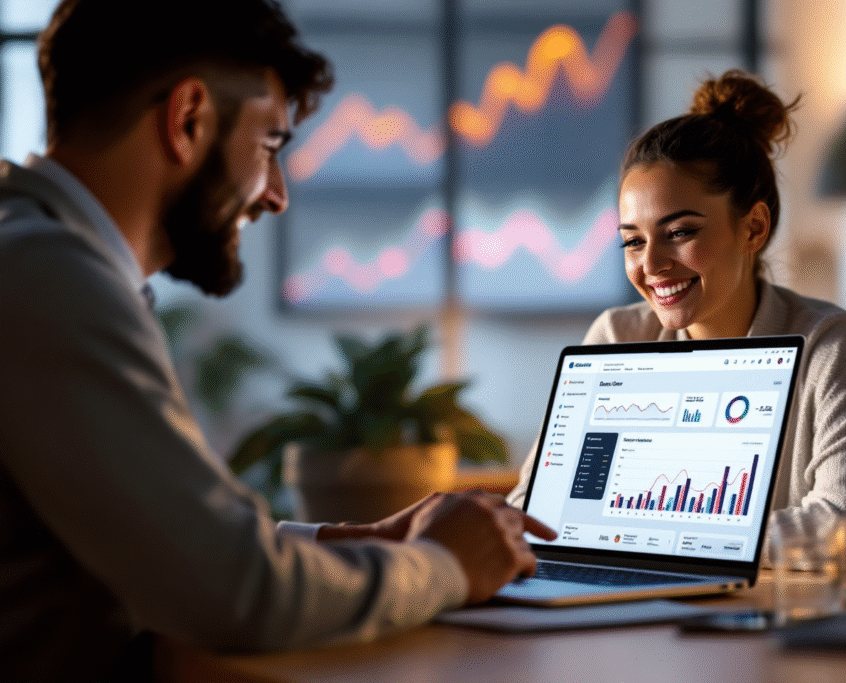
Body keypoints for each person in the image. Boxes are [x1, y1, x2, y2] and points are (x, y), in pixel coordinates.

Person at [0, 1, 555, 680]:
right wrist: (443, 566)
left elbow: (160, 542)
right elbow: (237, 594)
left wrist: (350, 539)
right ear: (188, 120)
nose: (276, 196)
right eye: (268, 147)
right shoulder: (50, 280)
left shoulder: (31, 254)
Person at [508, 70, 846, 544]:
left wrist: (660, 537)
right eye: (632, 241)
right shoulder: (617, 337)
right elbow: (531, 507)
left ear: (753, 228)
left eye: (680, 233)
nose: (651, 264)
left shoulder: (829, 344)